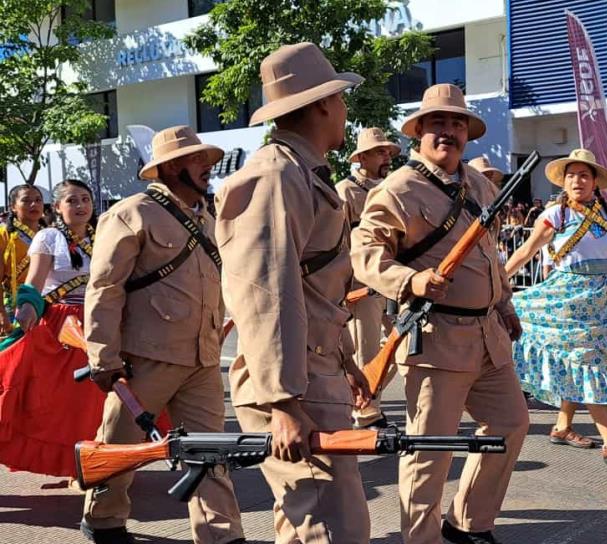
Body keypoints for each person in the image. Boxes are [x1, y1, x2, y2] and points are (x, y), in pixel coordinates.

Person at [352, 83, 529, 544]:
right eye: (438, 124)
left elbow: (488, 253)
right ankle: (421, 538)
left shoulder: (480, 184)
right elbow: (366, 254)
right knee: (429, 451)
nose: (448, 132)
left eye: (456, 123)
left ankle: (468, 521)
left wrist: (505, 302)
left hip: (489, 332)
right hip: (438, 336)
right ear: (419, 133)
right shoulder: (398, 189)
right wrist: (409, 281)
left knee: (511, 422)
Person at [217, 43, 371, 543]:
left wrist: (345, 360)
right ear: (323, 104)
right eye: (341, 99)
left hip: (310, 372)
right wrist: (282, 403)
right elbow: (264, 291)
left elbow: (312, 289)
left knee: (308, 523)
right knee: (333, 528)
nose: (345, 110)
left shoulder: (301, 171)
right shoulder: (276, 173)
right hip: (290, 383)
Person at [80, 126, 244, 544]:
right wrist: (103, 356)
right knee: (118, 446)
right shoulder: (131, 213)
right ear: (171, 167)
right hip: (143, 356)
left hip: (203, 356)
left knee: (211, 451)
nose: (208, 167)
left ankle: (221, 533)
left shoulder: (207, 216)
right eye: (197, 160)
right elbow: (104, 288)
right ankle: (104, 521)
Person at [503, 149, 607, 463]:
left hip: (602, 300)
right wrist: (498, 282)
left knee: (578, 361)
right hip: (567, 298)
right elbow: (526, 250)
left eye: (583, 175)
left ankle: (562, 426)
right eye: (571, 175)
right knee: (587, 363)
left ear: (595, 181)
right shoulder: (557, 214)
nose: (577, 180)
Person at [0, 180, 106, 480]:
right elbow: (34, 281)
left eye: (85, 199)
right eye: (72, 201)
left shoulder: (105, 236)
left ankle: (96, 461)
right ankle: (76, 465)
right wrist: (28, 304)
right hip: (64, 326)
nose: (81, 206)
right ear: (57, 207)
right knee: (62, 400)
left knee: (97, 399)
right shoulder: (49, 237)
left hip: (102, 320)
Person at [335, 126, 400, 430]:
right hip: (360, 286)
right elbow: (337, 242)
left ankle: (360, 397)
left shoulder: (390, 187)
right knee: (366, 349)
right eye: (380, 151)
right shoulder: (345, 191)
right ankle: (365, 411)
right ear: (361, 157)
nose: (387, 156)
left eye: (388, 151)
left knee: (400, 346)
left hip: (389, 281)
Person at [0, 185, 45, 334]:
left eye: (38, 200)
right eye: (26, 200)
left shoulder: (50, 234)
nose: (34, 204)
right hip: (14, 303)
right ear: (13, 206)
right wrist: (2, 315)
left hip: (46, 301)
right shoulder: (3, 235)